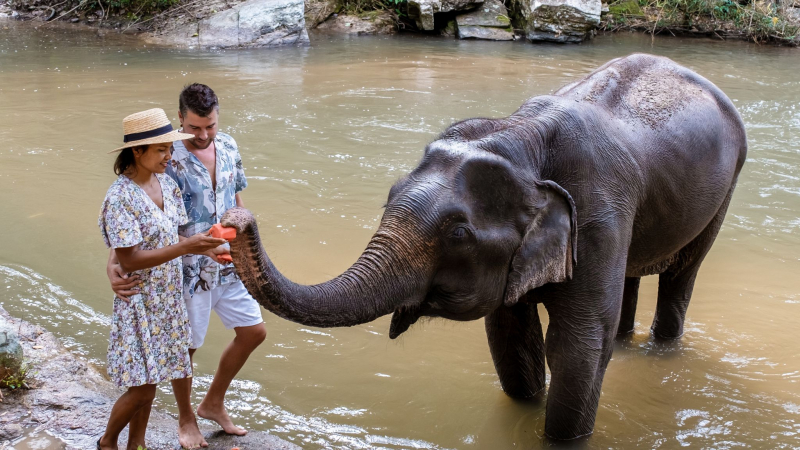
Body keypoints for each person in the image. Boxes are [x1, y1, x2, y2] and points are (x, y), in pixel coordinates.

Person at [107, 84, 267, 448]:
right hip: (184, 269)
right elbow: (138, 219)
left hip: (226, 261)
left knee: (253, 332)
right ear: (180, 118)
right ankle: (185, 419)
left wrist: (245, 240)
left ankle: (213, 403)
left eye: (209, 125)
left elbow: (236, 196)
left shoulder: (227, 145)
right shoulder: (164, 157)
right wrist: (114, 263)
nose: (203, 134)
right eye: (195, 127)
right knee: (185, 350)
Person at [97, 108, 228, 450]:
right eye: (161, 150)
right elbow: (129, 257)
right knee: (144, 387)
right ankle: (107, 442)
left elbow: (174, 235)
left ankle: (135, 445)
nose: (169, 157)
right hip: (139, 299)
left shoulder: (166, 184)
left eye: (170, 149)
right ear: (136, 152)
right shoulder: (120, 198)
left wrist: (204, 249)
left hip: (168, 299)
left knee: (152, 380)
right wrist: (187, 246)